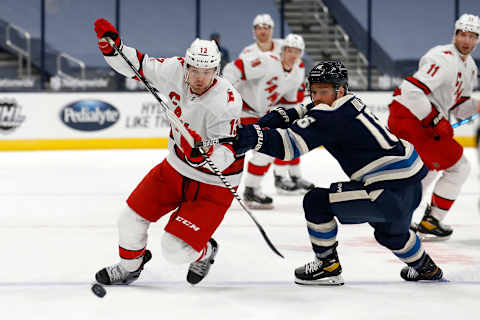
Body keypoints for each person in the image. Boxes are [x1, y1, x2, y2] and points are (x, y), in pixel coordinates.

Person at [234, 60, 443, 284]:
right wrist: (287, 115)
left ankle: (328, 266)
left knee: (316, 202)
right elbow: (312, 107)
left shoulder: (330, 117)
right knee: (391, 234)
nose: (316, 97)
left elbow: (289, 147)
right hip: (410, 186)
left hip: (385, 192)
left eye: (322, 91)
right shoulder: (350, 103)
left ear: (339, 90)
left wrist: (254, 138)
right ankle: (427, 268)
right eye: (313, 91)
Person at [93, 18, 243, 285]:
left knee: (174, 250)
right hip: (174, 168)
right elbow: (137, 65)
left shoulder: (227, 101)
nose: (199, 77)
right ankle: (130, 267)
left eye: (206, 71)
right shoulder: (174, 69)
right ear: (186, 64)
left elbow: (227, 153)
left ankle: (205, 251)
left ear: (216, 71)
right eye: (194, 69)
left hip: (213, 184)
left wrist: (206, 154)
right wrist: (113, 48)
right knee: (129, 220)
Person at [388, 13, 480, 241]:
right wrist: (435, 119)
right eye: (463, 35)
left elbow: (459, 108)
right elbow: (411, 91)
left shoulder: (470, 67)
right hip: (410, 116)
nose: (467, 41)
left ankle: (395, 216)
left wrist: (478, 106)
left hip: (417, 118)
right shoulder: (443, 57)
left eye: (472, 36)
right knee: (459, 166)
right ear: (455, 35)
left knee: (427, 169)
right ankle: (431, 221)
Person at [223, 33, 314, 209]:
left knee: (267, 148)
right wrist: (222, 92)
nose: (292, 55)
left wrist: (292, 121)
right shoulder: (267, 60)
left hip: (257, 113)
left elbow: (289, 102)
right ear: (283, 51)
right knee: (226, 152)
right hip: (238, 110)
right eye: (289, 50)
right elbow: (235, 68)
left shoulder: (297, 72)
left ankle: (251, 189)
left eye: (297, 51)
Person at [240, 14, 311, 194]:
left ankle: (288, 177)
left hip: (273, 107)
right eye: (259, 27)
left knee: (290, 137)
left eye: (267, 27)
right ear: (254, 31)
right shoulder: (248, 53)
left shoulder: (284, 47)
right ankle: (260, 183)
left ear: (272, 30)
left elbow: (291, 82)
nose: (263, 31)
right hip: (252, 109)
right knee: (264, 148)